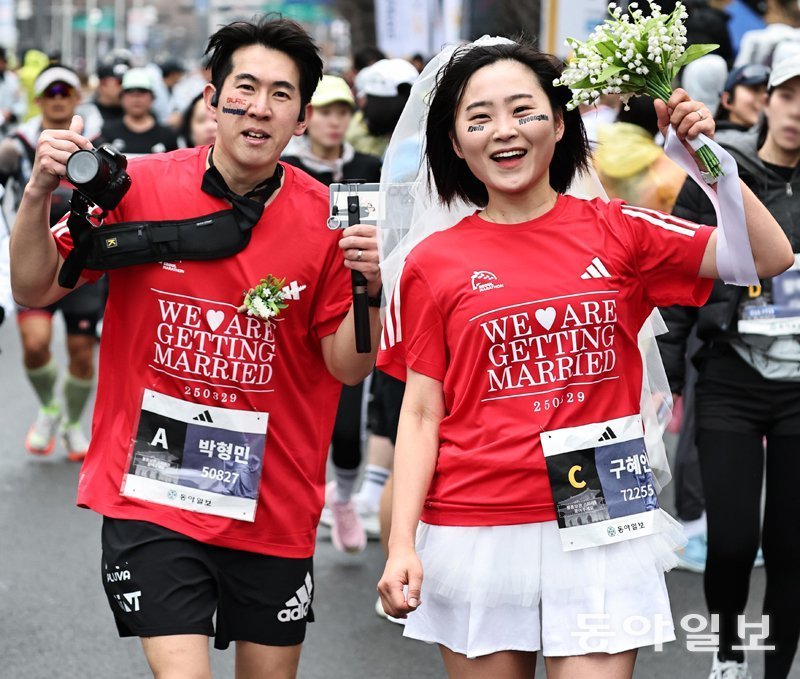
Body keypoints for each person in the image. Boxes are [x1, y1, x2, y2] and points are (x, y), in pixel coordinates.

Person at [375, 38, 791, 678]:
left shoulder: (619, 228)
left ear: (561, 121)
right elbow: (421, 413)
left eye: (523, 110)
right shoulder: (430, 263)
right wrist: (401, 542)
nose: (504, 131)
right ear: (456, 143)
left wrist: (712, 166)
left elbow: (766, 257)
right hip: (477, 521)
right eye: (478, 118)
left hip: (603, 513)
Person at [10, 16, 382, 678]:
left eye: (281, 94)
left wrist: (370, 291)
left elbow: (347, 366)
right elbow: (35, 285)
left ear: (302, 117)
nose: (259, 108)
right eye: (244, 87)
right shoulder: (138, 184)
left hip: (274, 500)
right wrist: (40, 193)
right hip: (154, 490)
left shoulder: (329, 217)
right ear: (211, 98)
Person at [657, 56, 800, 679]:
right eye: (789, 95)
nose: (798, 111)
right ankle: (727, 651)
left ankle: (775, 669)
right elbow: (680, 276)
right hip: (730, 379)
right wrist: (662, 381)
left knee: (793, 549)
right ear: (764, 99)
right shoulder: (720, 174)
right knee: (735, 542)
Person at [282, 74, 381, 554]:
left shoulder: (368, 167)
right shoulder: (281, 169)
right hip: (286, 306)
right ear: (305, 118)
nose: (334, 121)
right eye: (324, 111)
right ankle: (290, 504)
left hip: (348, 309)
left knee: (347, 427)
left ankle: (341, 498)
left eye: (343, 111)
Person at [0, 64, 103, 460]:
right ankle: (48, 408)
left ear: (77, 98)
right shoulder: (18, 143)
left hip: (83, 260)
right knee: (36, 344)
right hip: (33, 260)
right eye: (51, 92)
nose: (59, 98)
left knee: (80, 350)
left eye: (66, 91)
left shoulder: (98, 141)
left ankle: (74, 425)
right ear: (39, 99)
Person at [594, 95, 686, 213]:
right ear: (657, 123)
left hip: (604, 228)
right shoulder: (669, 167)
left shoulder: (591, 160)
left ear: (622, 111)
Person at [100, 68, 179, 156]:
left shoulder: (167, 135)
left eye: (142, 92)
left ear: (152, 97)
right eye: (130, 92)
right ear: (122, 97)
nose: (136, 98)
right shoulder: (107, 133)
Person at [716, 63, 771, 130]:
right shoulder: (708, 136)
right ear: (727, 100)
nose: (765, 97)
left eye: (768, 93)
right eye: (755, 89)